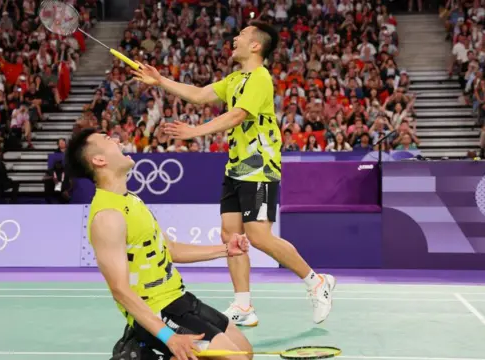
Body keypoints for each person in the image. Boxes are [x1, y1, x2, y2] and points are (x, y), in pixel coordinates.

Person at [133, 21, 336, 326]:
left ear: (256, 45)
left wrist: (195, 131)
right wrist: (161, 81)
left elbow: (238, 114)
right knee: (231, 236)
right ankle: (244, 306)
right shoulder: (236, 78)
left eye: (241, 35)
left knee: (258, 236)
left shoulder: (260, 78)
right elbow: (201, 95)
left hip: (259, 167)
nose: (235, 39)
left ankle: (316, 281)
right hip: (236, 168)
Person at [65, 128, 254, 360]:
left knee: (246, 352)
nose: (117, 140)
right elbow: (120, 290)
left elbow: (170, 249)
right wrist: (168, 337)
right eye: (107, 139)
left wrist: (226, 250)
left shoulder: (131, 199)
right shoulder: (107, 217)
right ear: (99, 160)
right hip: (157, 311)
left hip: (179, 299)